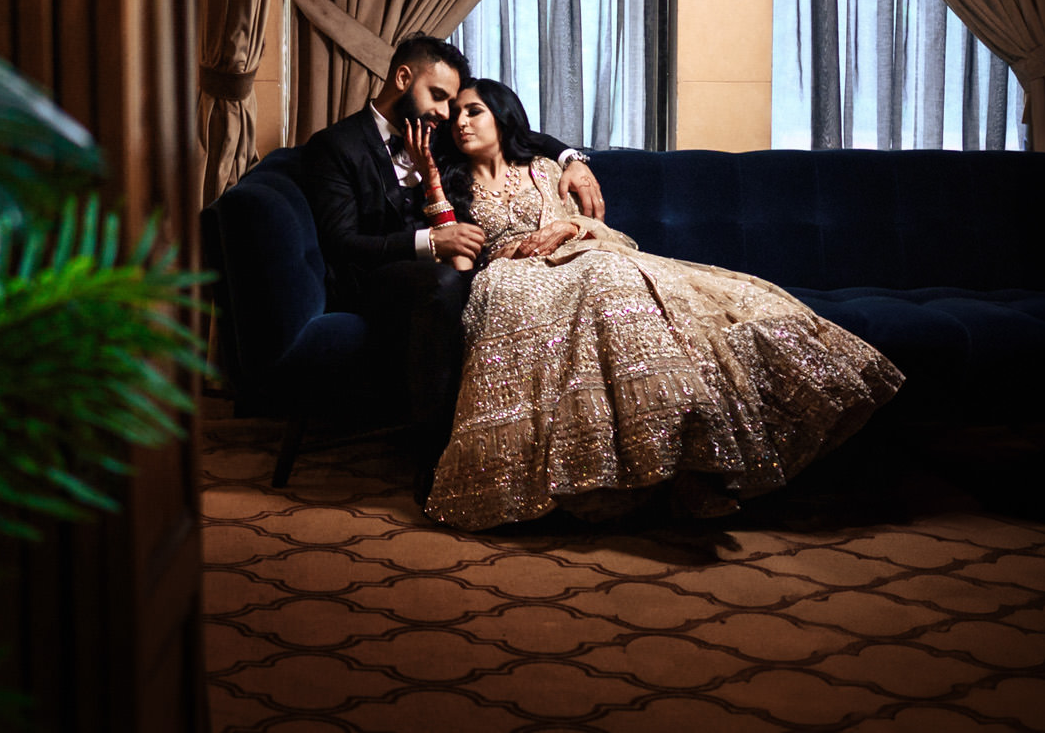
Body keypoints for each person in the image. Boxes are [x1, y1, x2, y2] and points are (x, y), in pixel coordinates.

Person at [419, 79, 903, 531]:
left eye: (474, 111)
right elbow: (459, 257)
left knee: (620, 276)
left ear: (503, 118)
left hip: (579, 257)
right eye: (456, 114)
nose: (461, 121)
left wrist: (566, 228)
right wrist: (439, 190)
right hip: (510, 279)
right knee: (583, 284)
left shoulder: (547, 170)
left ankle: (683, 442)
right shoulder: (452, 184)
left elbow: (599, 228)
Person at [297, 35, 601, 452]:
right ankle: (435, 449)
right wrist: (430, 240)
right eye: (438, 96)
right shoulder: (337, 146)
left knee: (480, 283)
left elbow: (517, 131)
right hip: (373, 279)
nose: (447, 113)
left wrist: (571, 160)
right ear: (403, 77)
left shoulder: (438, 132)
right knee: (445, 284)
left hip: (455, 268)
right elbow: (341, 241)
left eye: (453, 103)